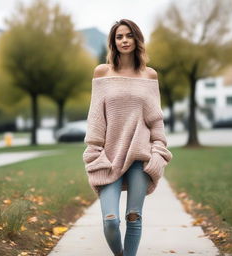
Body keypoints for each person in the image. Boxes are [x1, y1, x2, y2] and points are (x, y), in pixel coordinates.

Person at [82, 19, 173, 256]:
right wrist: (94, 151)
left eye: (129, 35)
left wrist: (158, 150)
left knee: (134, 217)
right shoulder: (102, 72)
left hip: (140, 158)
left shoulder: (150, 75)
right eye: (119, 36)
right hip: (109, 157)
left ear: (137, 39)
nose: (124, 40)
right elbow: (95, 117)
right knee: (110, 220)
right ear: (113, 42)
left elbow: (156, 119)